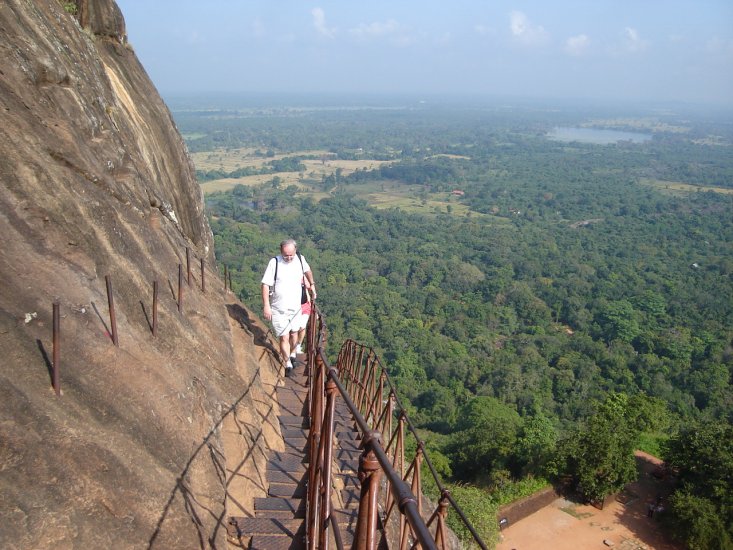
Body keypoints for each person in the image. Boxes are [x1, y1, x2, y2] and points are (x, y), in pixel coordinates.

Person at [261, 239, 317, 375]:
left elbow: (308, 271)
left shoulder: (299, 259)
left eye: (291, 254)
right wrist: (266, 306)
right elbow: (265, 284)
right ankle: (287, 364)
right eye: (286, 255)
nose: (289, 257)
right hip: (279, 308)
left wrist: (312, 285)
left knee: (294, 334)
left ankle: (292, 353)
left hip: (296, 307)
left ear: (295, 251)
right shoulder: (274, 263)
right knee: (284, 337)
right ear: (281, 252)